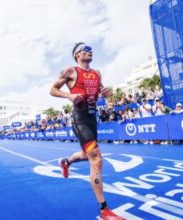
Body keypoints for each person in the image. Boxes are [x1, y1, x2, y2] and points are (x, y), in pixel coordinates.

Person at [49, 42, 124, 220]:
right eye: (86, 49)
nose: (90, 52)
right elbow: (52, 90)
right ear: (77, 54)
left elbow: (102, 91)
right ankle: (104, 209)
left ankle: (66, 162)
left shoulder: (97, 73)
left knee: (86, 155)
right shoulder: (70, 71)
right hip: (80, 119)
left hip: (92, 119)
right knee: (96, 159)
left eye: (91, 49)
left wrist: (105, 93)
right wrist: (69, 95)